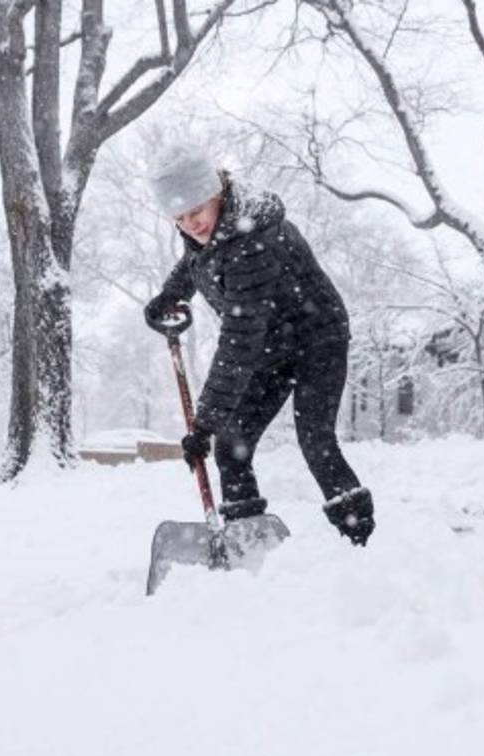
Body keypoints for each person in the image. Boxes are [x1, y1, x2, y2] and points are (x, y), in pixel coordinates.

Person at [143, 143, 374, 546]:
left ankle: (360, 539)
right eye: (179, 218)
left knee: (315, 440)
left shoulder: (254, 239)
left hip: (318, 338)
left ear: (215, 193)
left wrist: (204, 422)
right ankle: (246, 540)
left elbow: (238, 342)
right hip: (271, 342)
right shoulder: (213, 229)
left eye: (196, 211)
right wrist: (170, 294)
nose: (190, 224)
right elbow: (197, 261)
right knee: (232, 443)